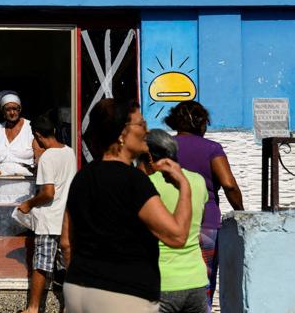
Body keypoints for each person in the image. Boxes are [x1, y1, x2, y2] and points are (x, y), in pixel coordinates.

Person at [60, 98, 192, 313]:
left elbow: (66, 242)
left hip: (77, 289)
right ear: (122, 133)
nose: (147, 131)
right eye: (141, 124)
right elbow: (176, 236)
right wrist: (184, 186)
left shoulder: (81, 178)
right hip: (123, 295)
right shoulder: (133, 181)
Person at [164, 101, 244, 309]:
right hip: (206, 224)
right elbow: (229, 185)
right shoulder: (211, 149)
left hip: (168, 220)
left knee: (167, 276)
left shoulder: (164, 148)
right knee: (204, 282)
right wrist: (241, 212)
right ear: (202, 124)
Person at [138, 129, 209, 313]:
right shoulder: (197, 181)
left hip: (161, 282)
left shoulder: (146, 185)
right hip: (196, 279)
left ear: (149, 157)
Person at [16, 114, 78, 313]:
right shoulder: (70, 153)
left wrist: (28, 203)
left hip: (48, 219)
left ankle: (33, 308)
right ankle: (70, 306)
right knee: (69, 265)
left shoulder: (47, 157)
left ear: (38, 135)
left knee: (41, 265)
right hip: (66, 219)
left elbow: (48, 193)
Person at [0, 90, 39, 202]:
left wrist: (39, 166)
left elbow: (38, 151)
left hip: (24, 183)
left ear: (20, 109)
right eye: (8, 109)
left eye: (15, 109)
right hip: (0, 185)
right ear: (3, 111)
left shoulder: (30, 127)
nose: (12, 113)